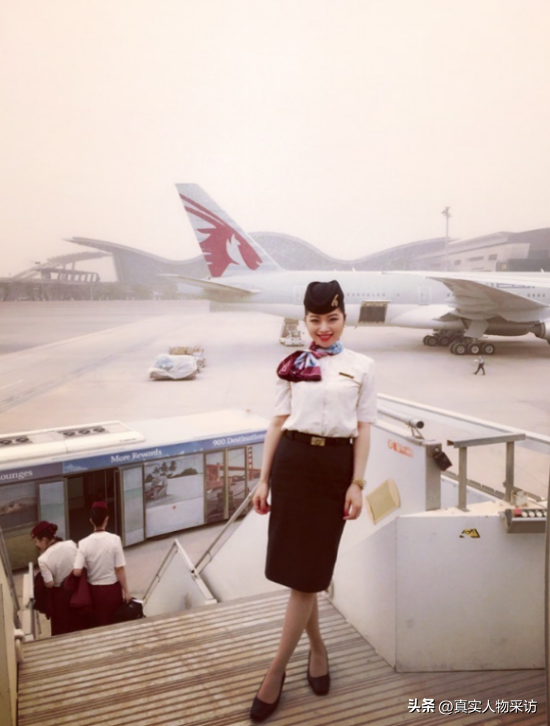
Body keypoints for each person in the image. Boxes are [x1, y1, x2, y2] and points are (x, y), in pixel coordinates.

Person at [249, 280, 377, 722]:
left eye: (332, 319)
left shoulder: (363, 366)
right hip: (293, 465)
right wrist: (262, 481)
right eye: (315, 319)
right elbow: (277, 423)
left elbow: (364, 428)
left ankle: (275, 672)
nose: (324, 328)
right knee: (300, 577)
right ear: (304, 320)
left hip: (333, 470)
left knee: (309, 574)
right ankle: (317, 649)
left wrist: (357, 483)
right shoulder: (291, 364)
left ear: (345, 317)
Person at [73, 501, 131, 626]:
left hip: (94, 593)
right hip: (112, 591)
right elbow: (119, 569)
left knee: (99, 625)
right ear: (106, 519)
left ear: (91, 521)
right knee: (115, 624)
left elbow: (77, 571)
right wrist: (126, 592)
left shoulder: (83, 543)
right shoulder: (115, 540)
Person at [30, 521, 87, 636]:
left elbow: (50, 584)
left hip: (60, 599)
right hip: (78, 591)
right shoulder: (70, 544)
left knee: (62, 630)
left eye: (37, 541)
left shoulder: (43, 560)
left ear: (44, 540)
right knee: (80, 625)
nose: (37, 545)